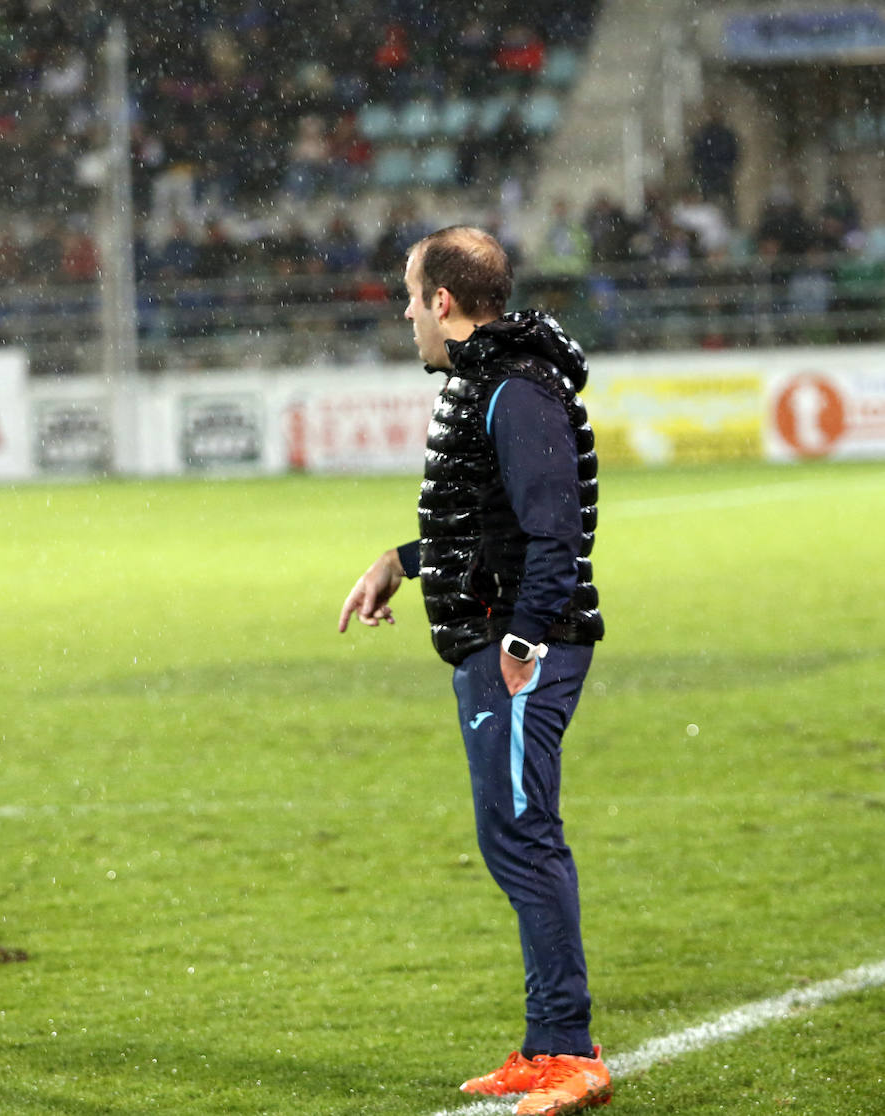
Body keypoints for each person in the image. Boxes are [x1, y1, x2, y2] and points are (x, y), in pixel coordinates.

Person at [337, 227, 609, 1116]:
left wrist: (524, 645)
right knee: (512, 839)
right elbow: (485, 522)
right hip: (496, 637)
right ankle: (545, 1046)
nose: (408, 312)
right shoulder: (493, 381)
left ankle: (569, 1053)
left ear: (444, 302)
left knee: (525, 840)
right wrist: (403, 561)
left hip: (518, 648)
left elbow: (555, 534)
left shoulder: (514, 390)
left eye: (412, 296)